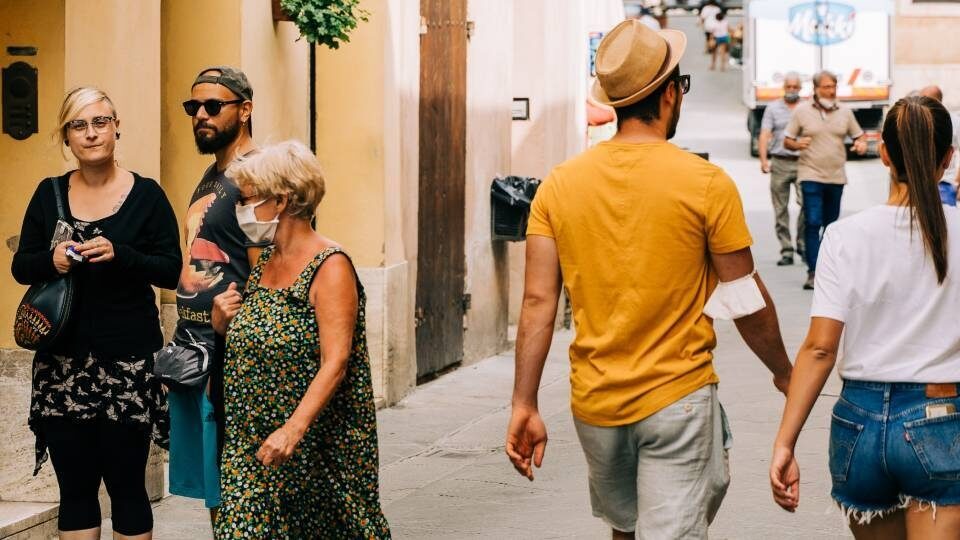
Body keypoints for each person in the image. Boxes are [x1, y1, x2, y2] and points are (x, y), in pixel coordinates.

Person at [505, 21, 793, 539]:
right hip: (676, 397)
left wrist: (524, 403)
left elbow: (537, 301)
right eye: (680, 87)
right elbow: (744, 296)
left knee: (625, 529)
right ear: (667, 94)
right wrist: (784, 373)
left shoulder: (558, 187)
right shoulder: (705, 184)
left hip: (595, 404)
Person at [770, 95, 960, 538]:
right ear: (948, 158)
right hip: (942, 418)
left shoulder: (843, 237)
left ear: (884, 154)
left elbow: (819, 348)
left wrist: (785, 442)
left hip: (860, 424)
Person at [11, 87, 181, 539]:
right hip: (61, 365)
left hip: (127, 364)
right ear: (67, 136)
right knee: (76, 491)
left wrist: (121, 254)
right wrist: (53, 260)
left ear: (116, 126)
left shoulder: (147, 196)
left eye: (100, 122)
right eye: (79, 125)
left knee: (127, 489)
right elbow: (20, 265)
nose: (91, 134)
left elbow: (170, 270)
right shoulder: (48, 195)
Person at [210, 140, 391, 538]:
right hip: (249, 444)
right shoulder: (264, 263)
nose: (240, 209)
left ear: (282, 200)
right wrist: (222, 325)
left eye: (247, 199)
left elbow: (337, 361)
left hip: (313, 447)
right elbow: (256, 334)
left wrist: (292, 430)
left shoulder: (330, 266)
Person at [166, 66, 266, 518]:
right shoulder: (211, 175)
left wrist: (240, 339)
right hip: (194, 352)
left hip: (230, 353)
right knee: (217, 494)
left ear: (244, 110)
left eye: (213, 106)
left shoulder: (257, 176)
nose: (200, 115)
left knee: (240, 492)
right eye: (193, 107)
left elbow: (268, 272)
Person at [784, 70, 867, 290]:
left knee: (831, 227)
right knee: (813, 222)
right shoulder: (802, 111)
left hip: (836, 177)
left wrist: (861, 144)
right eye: (827, 87)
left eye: (834, 87)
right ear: (816, 89)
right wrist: (797, 144)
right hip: (810, 175)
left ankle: (827, 268)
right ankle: (813, 271)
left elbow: (859, 136)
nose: (831, 91)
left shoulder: (845, 112)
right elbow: (787, 141)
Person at [759, 73, 806, 265]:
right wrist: (764, 160)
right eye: (789, 86)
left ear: (800, 89)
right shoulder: (773, 108)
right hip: (780, 162)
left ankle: (803, 244)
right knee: (780, 208)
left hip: (804, 163)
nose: (792, 90)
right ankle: (786, 250)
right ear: (784, 87)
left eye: (795, 87)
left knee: (807, 205)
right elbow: (764, 135)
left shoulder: (807, 108)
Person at [919, 85, 960, 206]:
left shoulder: (954, 122)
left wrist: (957, 182)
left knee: (946, 220)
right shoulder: (920, 121)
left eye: (924, 100)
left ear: (936, 101)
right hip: (922, 184)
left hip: (946, 183)